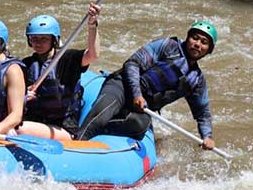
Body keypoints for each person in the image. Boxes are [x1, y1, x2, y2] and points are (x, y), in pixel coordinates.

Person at [75, 21, 219, 151]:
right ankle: (78, 143)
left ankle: (101, 132)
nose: (197, 44)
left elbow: (203, 113)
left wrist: (207, 136)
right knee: (103, 111)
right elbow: (133, 63)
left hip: (143, 107)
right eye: (195, 38)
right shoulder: (169, 46)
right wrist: (137, 94)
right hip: (122, 86)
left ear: (209, 50)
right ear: (188, 38)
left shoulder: (196, 80)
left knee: (140, 126)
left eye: (204, 42)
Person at [16, 3, 101, 141]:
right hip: (35, 121)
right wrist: (24, 95)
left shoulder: (68, 59)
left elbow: (93, 55)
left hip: (62, 127)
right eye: (34, 38)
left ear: (54, 40)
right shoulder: (26, 64)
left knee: (19, 128)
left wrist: (92, 25)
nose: (38, 43)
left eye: (44, 39)